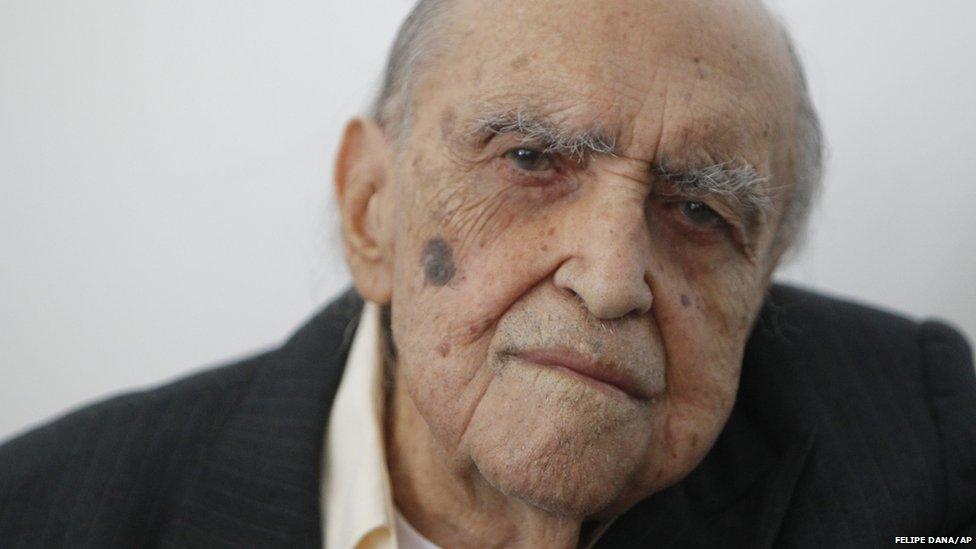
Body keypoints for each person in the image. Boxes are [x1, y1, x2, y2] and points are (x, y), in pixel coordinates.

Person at [1, 0, 974, 546]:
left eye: (698, 211)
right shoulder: (51, 514)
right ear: (372, 211)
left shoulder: (921, 437)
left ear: (762, 280)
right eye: (531, 161)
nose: (608, 280)